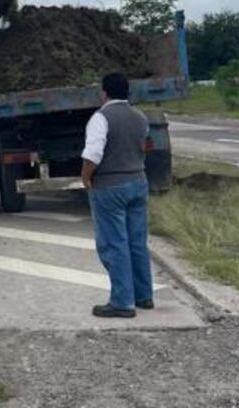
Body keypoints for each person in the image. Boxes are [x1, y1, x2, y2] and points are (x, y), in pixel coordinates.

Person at [81, 72, 152, 319]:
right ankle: (144, 296)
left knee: (114, 244)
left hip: (110, 187)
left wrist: (85, 177)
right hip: (139, 183)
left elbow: (93, 154)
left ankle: (122, 302)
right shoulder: (140, 117)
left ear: (104, 92)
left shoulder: (100, 118)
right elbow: (143, 146)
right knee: (137, 242)